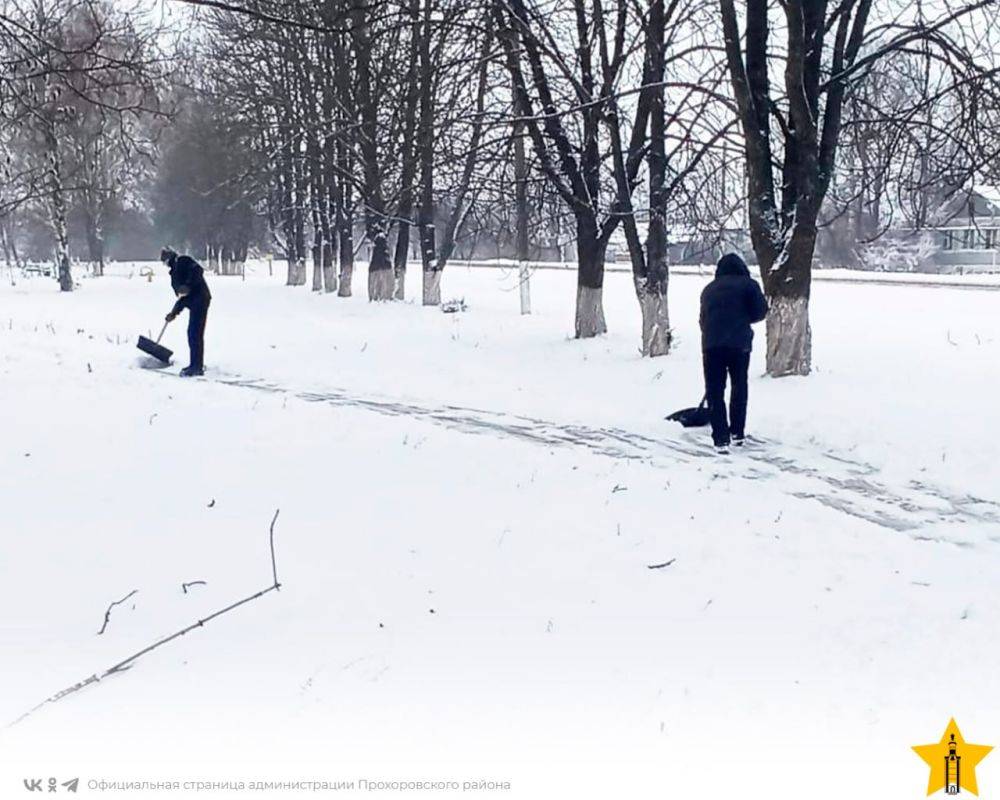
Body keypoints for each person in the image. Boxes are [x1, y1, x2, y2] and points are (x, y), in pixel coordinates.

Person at [699, 252, 768, 454]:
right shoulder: (749, 285)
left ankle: (720, 437)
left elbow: (703, 319)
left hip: (712, 345)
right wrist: (743, 319)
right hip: (739, 345)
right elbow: (760, 312)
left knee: (715, 390)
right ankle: (737, 433)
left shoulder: (709, 289)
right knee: (739, 387)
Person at [161, 247, 212, 377]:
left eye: (165, 260)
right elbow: (182, 297)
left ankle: (196, 366)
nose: (165, 263)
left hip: (200, 299)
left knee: (194, 334)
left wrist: (188, 285)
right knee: (192, 334)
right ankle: (195, 364)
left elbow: (198, 270)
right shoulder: (174, 275)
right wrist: (174, 313)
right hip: (193, 302)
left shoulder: (183, 261)